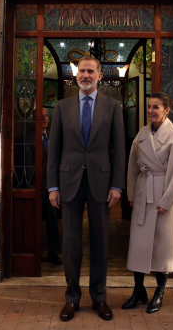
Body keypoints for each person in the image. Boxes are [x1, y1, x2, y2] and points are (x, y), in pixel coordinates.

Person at [47, 55, 125, 322]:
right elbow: (54, 151)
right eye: (82, 71)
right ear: (75, 74)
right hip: (68, 183)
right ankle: (71, 298)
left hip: (101, 184)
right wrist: (52, 186)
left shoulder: (113, 106)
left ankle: (100, 298)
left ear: (99, 76)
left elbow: (119, 150)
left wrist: (117, 184)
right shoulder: (62, 107)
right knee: (70, 244)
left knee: (100, 243)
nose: (86, 75)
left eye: (91, 71)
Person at [122, 92, 173, 314]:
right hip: (142, 192)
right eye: (149, 106)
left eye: (155, 107)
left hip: (163, 194)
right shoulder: (142, 133)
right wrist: (131, 195)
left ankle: (159, 291)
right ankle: (138, 290)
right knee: (138, 245)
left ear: (167, 110)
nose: (150, 110)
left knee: (162, 247)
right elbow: (132, 166)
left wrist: (168, 200)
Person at [40, 108, 62, 265]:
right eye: (41, 116)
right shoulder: (28, 137)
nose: (44, 118)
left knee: (52, 220)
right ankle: (34, 253)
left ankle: (53, 253)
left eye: (46, 116)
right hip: (35, 186)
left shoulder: (52, 137)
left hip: (51, 186)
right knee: (34, 221)